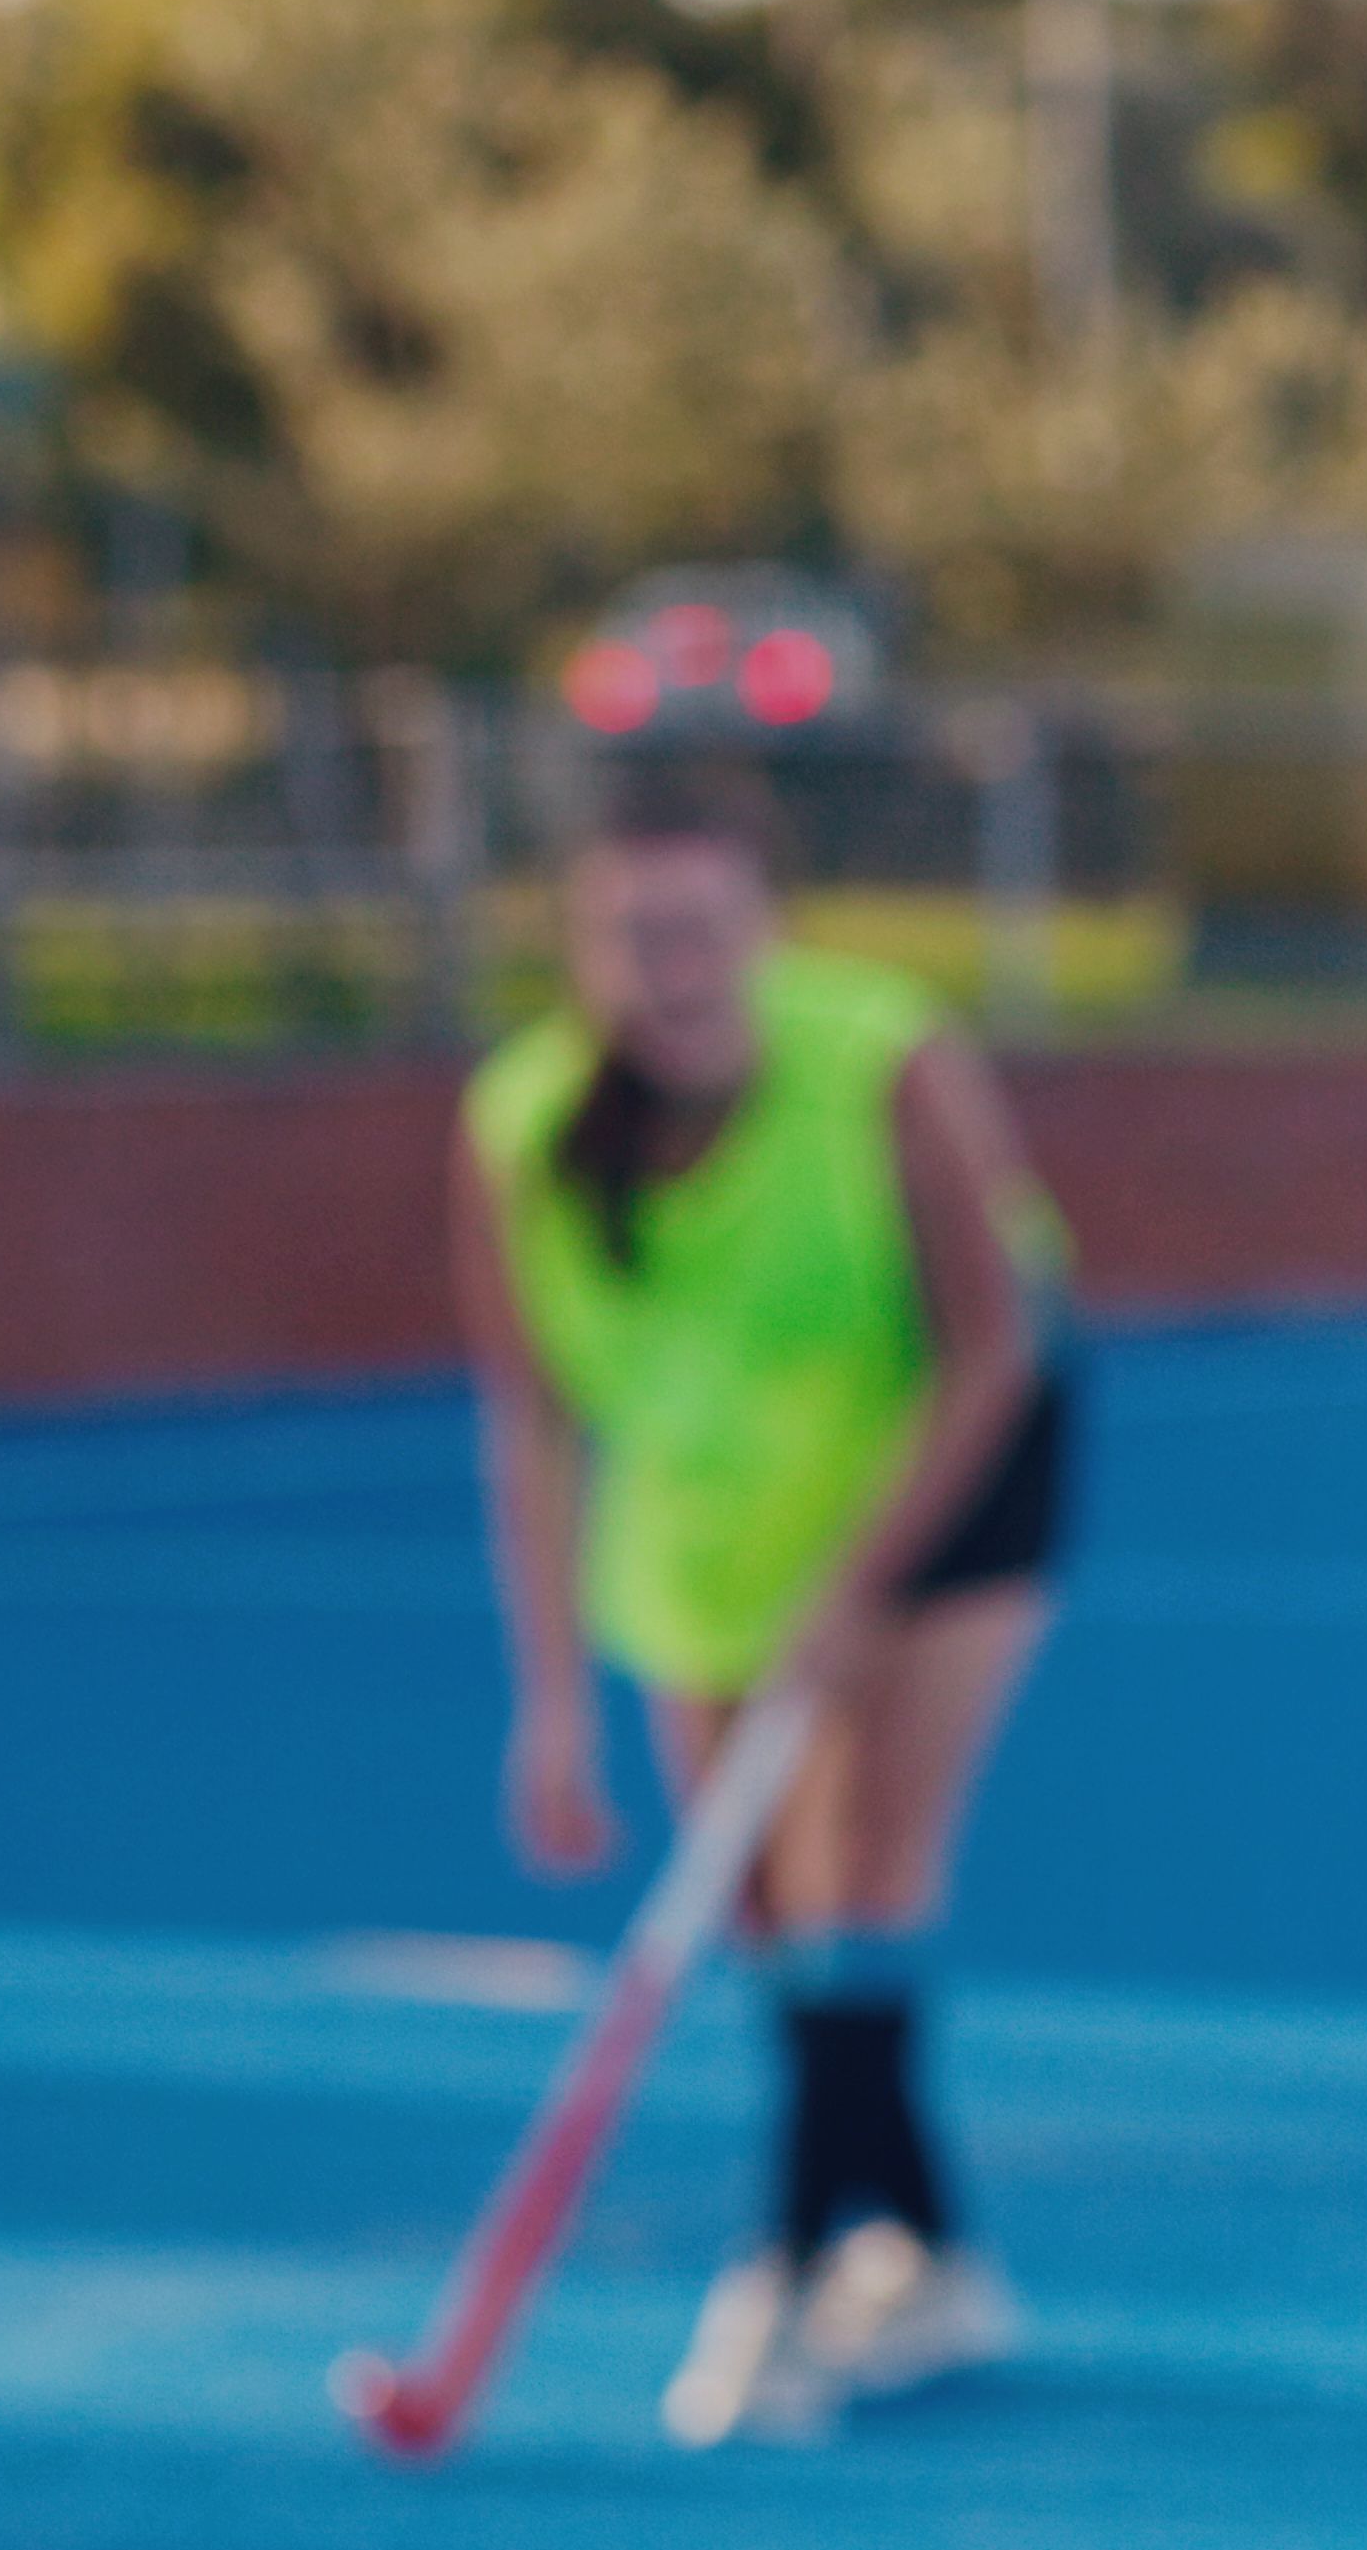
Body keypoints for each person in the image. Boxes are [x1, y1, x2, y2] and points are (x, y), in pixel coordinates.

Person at [456, 752, 1069, 2445]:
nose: (671, 966)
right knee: (771, 1926)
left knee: (859, 1868)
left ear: (765, 927)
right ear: (582, 947)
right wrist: (555, 1700)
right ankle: (932, 2254)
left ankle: (783, 2269)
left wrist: (860, 1594)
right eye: (631, 932)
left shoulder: (884, 1062)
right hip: (722, 1521)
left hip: (957, 1466)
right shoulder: (520, 1126)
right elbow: (532, 1418)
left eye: (703, 926)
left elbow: (996, 1345)